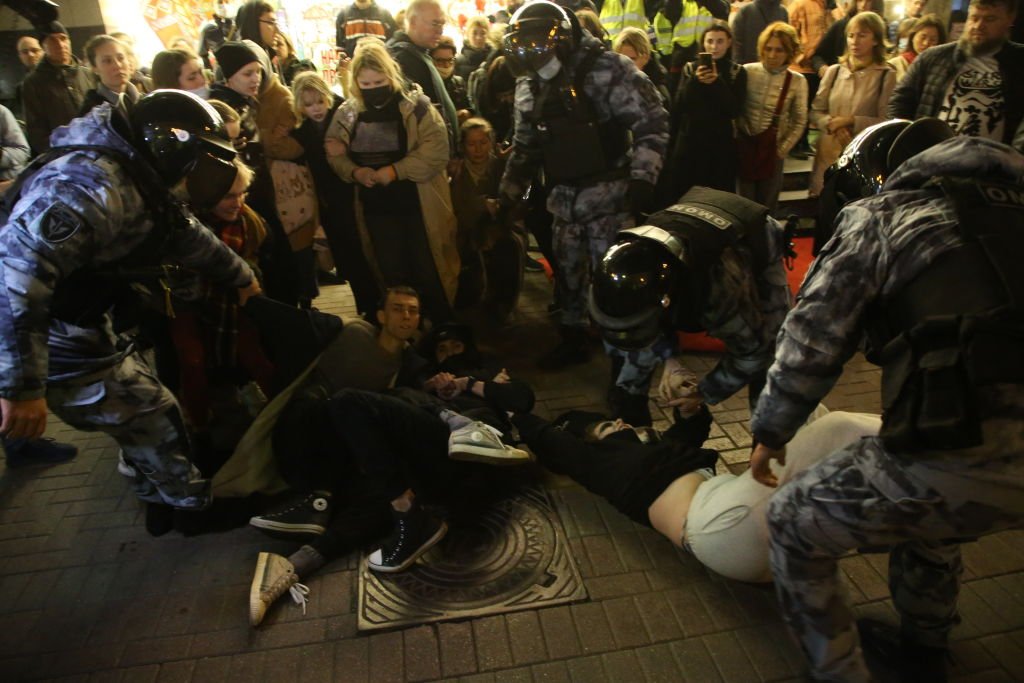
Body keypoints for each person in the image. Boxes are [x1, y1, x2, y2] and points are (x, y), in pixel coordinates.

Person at [749, 118, 1024, 682]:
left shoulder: (882, 216)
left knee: (794, 521)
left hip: (974, 447)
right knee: (932, 502)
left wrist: (771, 430)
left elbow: (812, 340)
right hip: (974, 441)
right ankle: (924, 646)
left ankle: (839, 673)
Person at [0, 90, 260, 520]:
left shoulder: (136, 172)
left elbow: (181, 232)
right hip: (48, 329)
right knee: (150, 412)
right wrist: (21, 389)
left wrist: (242, 277)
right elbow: (14, 281)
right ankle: (188, 506)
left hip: (77, 320)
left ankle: (158, 494)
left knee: (142, 412)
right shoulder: (88, 189)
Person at [520, 407, 879, 583]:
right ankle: (928, 444)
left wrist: (691, 407)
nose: (620, 424)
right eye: (607, 426)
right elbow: (551, 440)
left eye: (615, 420)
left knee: (814, 418)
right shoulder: (598, 465)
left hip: (752, 544)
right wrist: (491, 395)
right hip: (717, 525)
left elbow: (689, 429)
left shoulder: (657, 453)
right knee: (836, 427)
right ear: (593, 442)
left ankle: (907, 502)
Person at [499, 0, 669, 370]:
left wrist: (643, 178)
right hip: (563, 199)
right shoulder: (530, 85)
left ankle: (625, 366)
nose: (537, 64)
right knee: (569, 275)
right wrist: (509, 194)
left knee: (613, 281)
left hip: (610, 197)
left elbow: (652, 122)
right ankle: (573, 339)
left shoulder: (608, 70)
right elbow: (525, 146)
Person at [588, 185, 792, 425]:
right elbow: (645, 323)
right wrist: (670, 361)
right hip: (685, 229)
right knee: (638, 338)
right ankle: (630, 411)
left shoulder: (719, 289)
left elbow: (750, 355)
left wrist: (702, 393)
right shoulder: (617, 269)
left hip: (755, 233)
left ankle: (767, 433)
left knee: (773, 347)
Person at [326, 41, 459, 324]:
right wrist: (354, 172)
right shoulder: (349, 111)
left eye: (379, 81)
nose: (373, 87)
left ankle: (438, 326)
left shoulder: (416, 106)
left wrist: (395, 171)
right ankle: (402, 329)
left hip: (418, 206)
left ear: (391, 75)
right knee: (391, 270)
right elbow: (333, 147)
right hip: (376, 209)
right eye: (366, 83)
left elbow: (436, 149)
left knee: (428, 268)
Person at [211, 40, 313, 307]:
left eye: (257, 71)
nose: (256, 78)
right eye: (247, 73)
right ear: (228, 76)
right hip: (245, 200)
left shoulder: (244, 102)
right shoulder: (227, 109)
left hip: (255, 196)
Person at [289, 72, 376, 315]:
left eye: (319, 101)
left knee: (363, 254)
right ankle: (366, 306)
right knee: (348, 258)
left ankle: (372, 305)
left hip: (353, 194)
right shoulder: (301, 130)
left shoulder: (345, 116)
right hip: (329, 203)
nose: (316, 108)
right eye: (308, 104)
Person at [888, 0, 1023, 152]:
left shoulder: (1019, 63)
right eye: (974, 18)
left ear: (1010, 18)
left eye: (989, 19)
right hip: (930, 163)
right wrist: (903, 147)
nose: (978, 26)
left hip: (993, 168)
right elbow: (900, 102)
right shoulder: (933, 58)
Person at [808, 11, 896, 196]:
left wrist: (851, 121)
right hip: (828, 154)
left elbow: (886, 120)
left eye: (862, 35)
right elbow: (816, 111)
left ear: (876, 40)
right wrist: (832, 125)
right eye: (851, 35)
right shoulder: (834, 72)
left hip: (861, 155)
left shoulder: (885, 75)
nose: (855, 41)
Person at [662, 20, 746, 200]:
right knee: (684, 195)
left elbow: (734, 109)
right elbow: (679, 105)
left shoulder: (737, 71)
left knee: (718, 198)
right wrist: (694, 81)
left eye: (720, 41)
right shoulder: (690, 68)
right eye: (710, 41)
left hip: (719, 145)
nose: (714, 46)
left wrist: (717, 83)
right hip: (691, 142)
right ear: (703, 43)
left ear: (729, 42)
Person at [449, 117, 524, 318]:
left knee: (507, 248)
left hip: (500, 227)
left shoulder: (500, 166)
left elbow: (514, 203)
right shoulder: (456, 171)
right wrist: (482, 204)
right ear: (463, 146)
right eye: (471, 144)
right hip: (467, 230)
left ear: (491, 142)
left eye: (483, 142)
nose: (478, 149)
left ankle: (502, 303)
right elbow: (457, 207)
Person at [736, 22, 808, 212]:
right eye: (768, 49)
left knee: (766, 207)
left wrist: (781, 151)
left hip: (772, 150)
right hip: (744, 146)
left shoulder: (797, 81)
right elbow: (734, 108)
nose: (772, 55)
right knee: (741, 204)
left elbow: (800, 120)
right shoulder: (747, 71)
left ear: (789, 52)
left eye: (779, 50)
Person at [386, 0, 460, 154]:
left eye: (442, 24)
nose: (440, 31)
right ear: (413, 22)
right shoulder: (401, 58)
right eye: (435, 24)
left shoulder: (418, 53)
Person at [20, 21, 95, 154]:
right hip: (64, 155)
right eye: (52, 40)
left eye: (63, 38)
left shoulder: (88, 74)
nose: (60, 45)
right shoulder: (33, 83)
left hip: (98, 149)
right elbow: (36, 130)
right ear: (43, 46)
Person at [787, 0, 837, 158]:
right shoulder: (800, 5)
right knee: (799, 107)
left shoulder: (828, 7)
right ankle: (794, 144)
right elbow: (792, 33)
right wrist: (802, 57)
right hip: (801, 67)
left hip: (818, 66)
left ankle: (803, 142)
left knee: (810, 107)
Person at [652, 0, 731, 93]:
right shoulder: (682, 3)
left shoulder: (717, 4)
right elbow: (670, 12)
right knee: (678, 92)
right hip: (681, 57)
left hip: (709, 56)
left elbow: (722, 11)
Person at [810, 0, 886, 77]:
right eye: (860, 0)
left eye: (868, 1)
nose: (863, 5)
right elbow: (817, 56)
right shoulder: (840, 26)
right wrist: (823, 68)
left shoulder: (881, 29)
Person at [79, 36, 142, 118]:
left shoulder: (144, 101)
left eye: (121, 58)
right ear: (95, 68)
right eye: (107, 61)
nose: (118, 65)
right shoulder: (91, 115)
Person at [613, 27, 671, 107]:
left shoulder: (658, 91)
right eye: (621, 58)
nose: (624, 64)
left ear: (645, 58)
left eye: (631, 59)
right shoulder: (610, 83)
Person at [887, 13, 947, 82]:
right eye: (923, 37)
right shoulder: (895, 65)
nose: (926, 43)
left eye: (933, 40)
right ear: (913, 37)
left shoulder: (942, 68)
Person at [730, 0, 787, 65]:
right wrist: (739, 68)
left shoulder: (783, 12)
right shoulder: (746, 11)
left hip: (776, 67)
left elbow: (786, 43)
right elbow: (736, 44)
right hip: (749, 66)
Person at [431, 36, 472, 119]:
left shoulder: (458, 82)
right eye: (439, 60)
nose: (446, 65)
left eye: (450, 60)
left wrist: (467, 113)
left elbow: (469, 107)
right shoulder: (426, 85)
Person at [12, 35, 43, 120]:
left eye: (35, 50)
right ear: (20, 56)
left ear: (43, 51)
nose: (30, 55)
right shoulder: (21, 88)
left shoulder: (59, 76)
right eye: (25, 52)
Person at [198, 1, 237, 69]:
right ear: (214, 5)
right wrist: (210, 73)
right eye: (220, 2)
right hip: (224, 69)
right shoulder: (208, 29)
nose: (224, 5)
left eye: (227, 2)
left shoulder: (239, 22)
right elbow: (203, 54)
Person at [455, 15, 492, 80]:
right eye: (474, 33)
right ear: (468, 34)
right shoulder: (458, 61)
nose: (479, 37)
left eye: (483, 33)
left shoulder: (493, 58)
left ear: (488, 34)